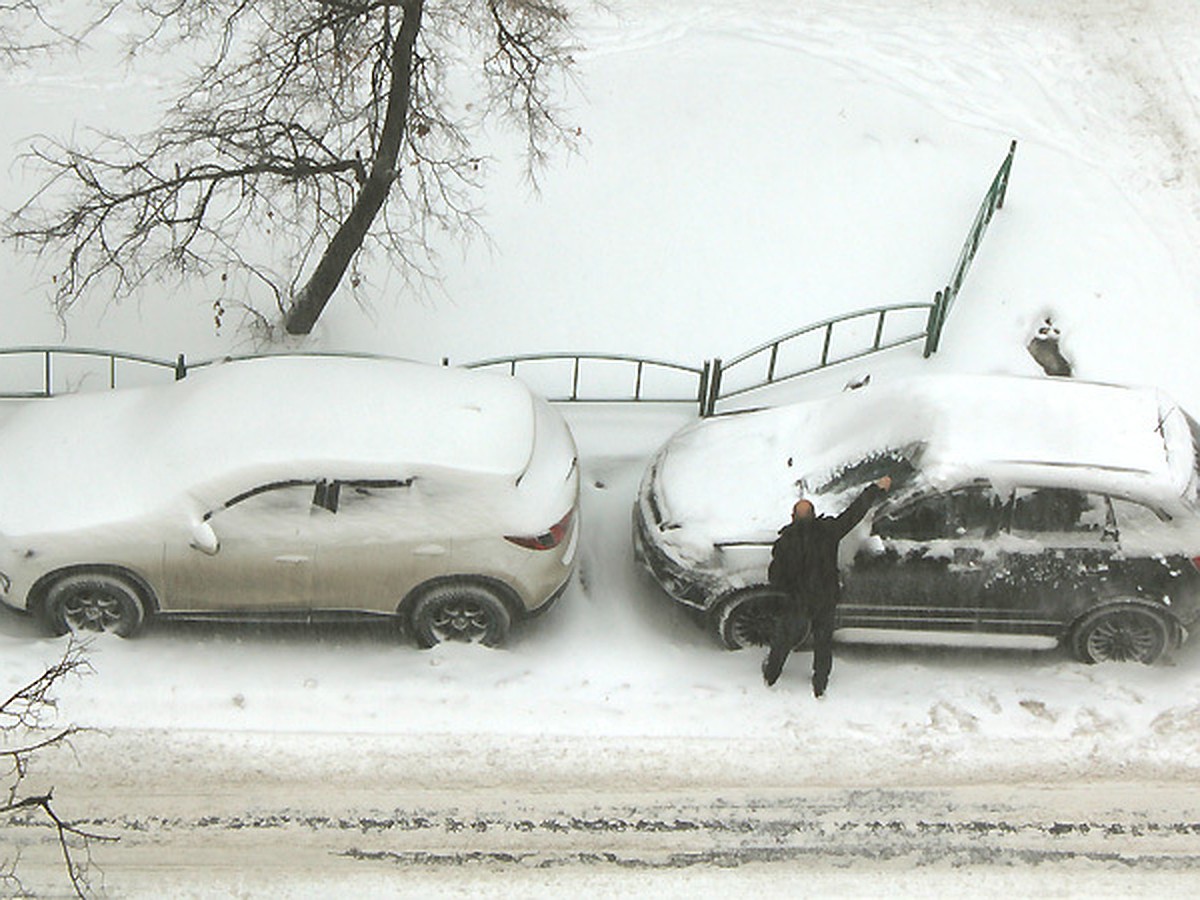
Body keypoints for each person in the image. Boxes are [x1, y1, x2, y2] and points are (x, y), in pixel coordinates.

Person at [763, 476, 892, 696]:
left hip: (798, 600)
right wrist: (875, 489)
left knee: (785, 637)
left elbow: (775, 575)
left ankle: (772, 673)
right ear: (814, 515)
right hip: (825, 596)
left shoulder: (785, 542)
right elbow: (854, 513)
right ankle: (820, 682)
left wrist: (782, 595)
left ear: (793, 517)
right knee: (823, 641)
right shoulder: (828, 531)